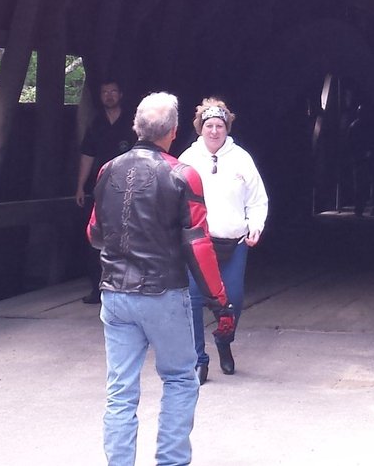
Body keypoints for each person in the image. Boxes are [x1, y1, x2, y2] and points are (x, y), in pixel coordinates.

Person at [87, 92, 232, 466]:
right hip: (163, 292)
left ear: (136, 127)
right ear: (173, 131)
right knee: (181, 379)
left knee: (120, 390)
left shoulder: (107, 170)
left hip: (115, 293)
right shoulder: (183, 175)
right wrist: (219, 298)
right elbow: (198, 244)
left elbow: (95, 233)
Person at [175, 98, 267, 383]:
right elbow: (173, 199)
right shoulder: (187, 159)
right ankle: (198, 360)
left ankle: (224, 342)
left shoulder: (241, 159)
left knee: (233, 299)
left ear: (227, 128)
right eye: (209, 125)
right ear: (200, 128)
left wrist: (255, 225)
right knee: (191, 300)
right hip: (198, 243)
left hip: (233, 242)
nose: (214, 131)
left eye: (219, 126)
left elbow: (257, 200)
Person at [76, 79, 135, 304]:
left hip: (130, 189)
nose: (109, 96)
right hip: (100, 189)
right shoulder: (96, 123)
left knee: (129, 236)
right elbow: (87, 155)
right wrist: (80, 186)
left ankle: (127, 286)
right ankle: (97, 288)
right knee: (96, 237)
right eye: (104, 92)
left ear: (121, 94)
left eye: (113, 91)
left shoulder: (132, 123)